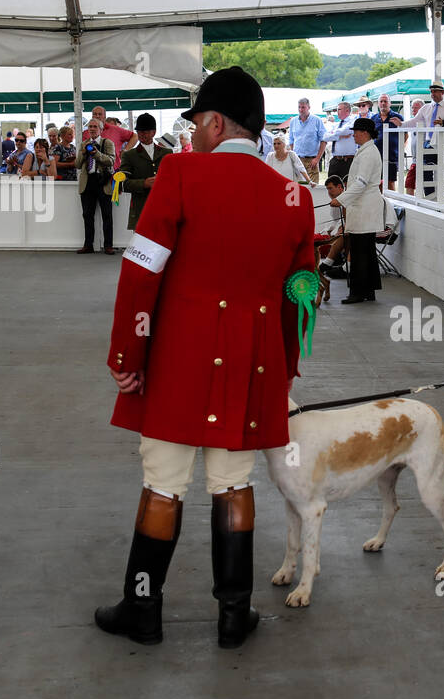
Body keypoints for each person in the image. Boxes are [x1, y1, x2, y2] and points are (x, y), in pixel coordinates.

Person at [97, 66, 315, 651]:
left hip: (177, 361)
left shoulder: (180, 173)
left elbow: (142, 269)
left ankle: (143, 609)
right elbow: (303, 296)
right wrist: (286, 365)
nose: (192, 134)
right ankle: (232, 616)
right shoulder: (295, 197)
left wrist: (126, 353)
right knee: (233, 483)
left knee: (163, 484)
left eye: (196, 122)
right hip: (252, 365)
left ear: (216, 122)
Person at [327, 117, 384, 304]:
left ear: (365, 133)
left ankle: (358, 292)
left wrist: (341, 199)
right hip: (362, 206)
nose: (353, 136)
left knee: (360, 251)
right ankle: (368, 290)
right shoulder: (366, 151)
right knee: (365, 251)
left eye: (356, 132)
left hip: (364, 207)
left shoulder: (368, 153)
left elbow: (361, 183)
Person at [402, 81, 444, 200]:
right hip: (428, 144)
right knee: (425, 171)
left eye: (435, 91)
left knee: (443, 173)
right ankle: (430, 198)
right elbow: (415, 121)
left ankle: (442, 199)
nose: (433, 94)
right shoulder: (426, 108)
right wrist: (401, 124)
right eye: (431, 91)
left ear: (442, 92)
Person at [118, 113, 172, 230]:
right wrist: (144, 183)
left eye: (146, 132)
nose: (142, 135)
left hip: (163, 207)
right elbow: (122, 184)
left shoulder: (167, 153)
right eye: (140, 132)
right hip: (140, 209)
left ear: (153, 132)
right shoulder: (129, 155)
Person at [77, 117, 116, 254]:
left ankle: (108, 245)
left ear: (100, 129)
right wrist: (84, 153)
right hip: (87, 182)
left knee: (107, 215)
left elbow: (111, 161)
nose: (92, 129)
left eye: (95, 126)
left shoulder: (107, 143)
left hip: (102, 182)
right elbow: (77, 164)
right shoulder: (84, 144)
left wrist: (96, 154)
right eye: (90, 126)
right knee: (87, 215)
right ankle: (88, 245)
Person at [288, 98, 326, 180]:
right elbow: (291, 141)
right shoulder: (293, 121)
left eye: (303, 107)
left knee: (313, 188)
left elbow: (324, 140)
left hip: (312, 160)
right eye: (299, 107)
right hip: (297, 159)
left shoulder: (317, 120)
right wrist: (292, 157)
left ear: (309, 107)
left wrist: (317, 158)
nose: (300, 110)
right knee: (298, 187)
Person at [372, 93, 404, 191]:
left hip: (392, 155)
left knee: (390, 182)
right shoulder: (373, 119)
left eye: (385, 101)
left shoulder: (397, 117)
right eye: (381, 101)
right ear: (378, 104)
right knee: (376, 181)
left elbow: (405, 135)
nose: (383, 103)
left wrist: (400, 148)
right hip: (376, 155)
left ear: (390, 103)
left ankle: (391, 205)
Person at [324, 101, 358, 184]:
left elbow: (346, 131)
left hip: (348, 160)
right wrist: (339, 136)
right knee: (331, 185)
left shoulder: (353, 121)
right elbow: (325, 137)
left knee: (347, 186)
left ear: (347, 110)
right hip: (335, 160)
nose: (337, 112)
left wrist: (334, 134)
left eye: (339, 109)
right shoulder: (336, 124)